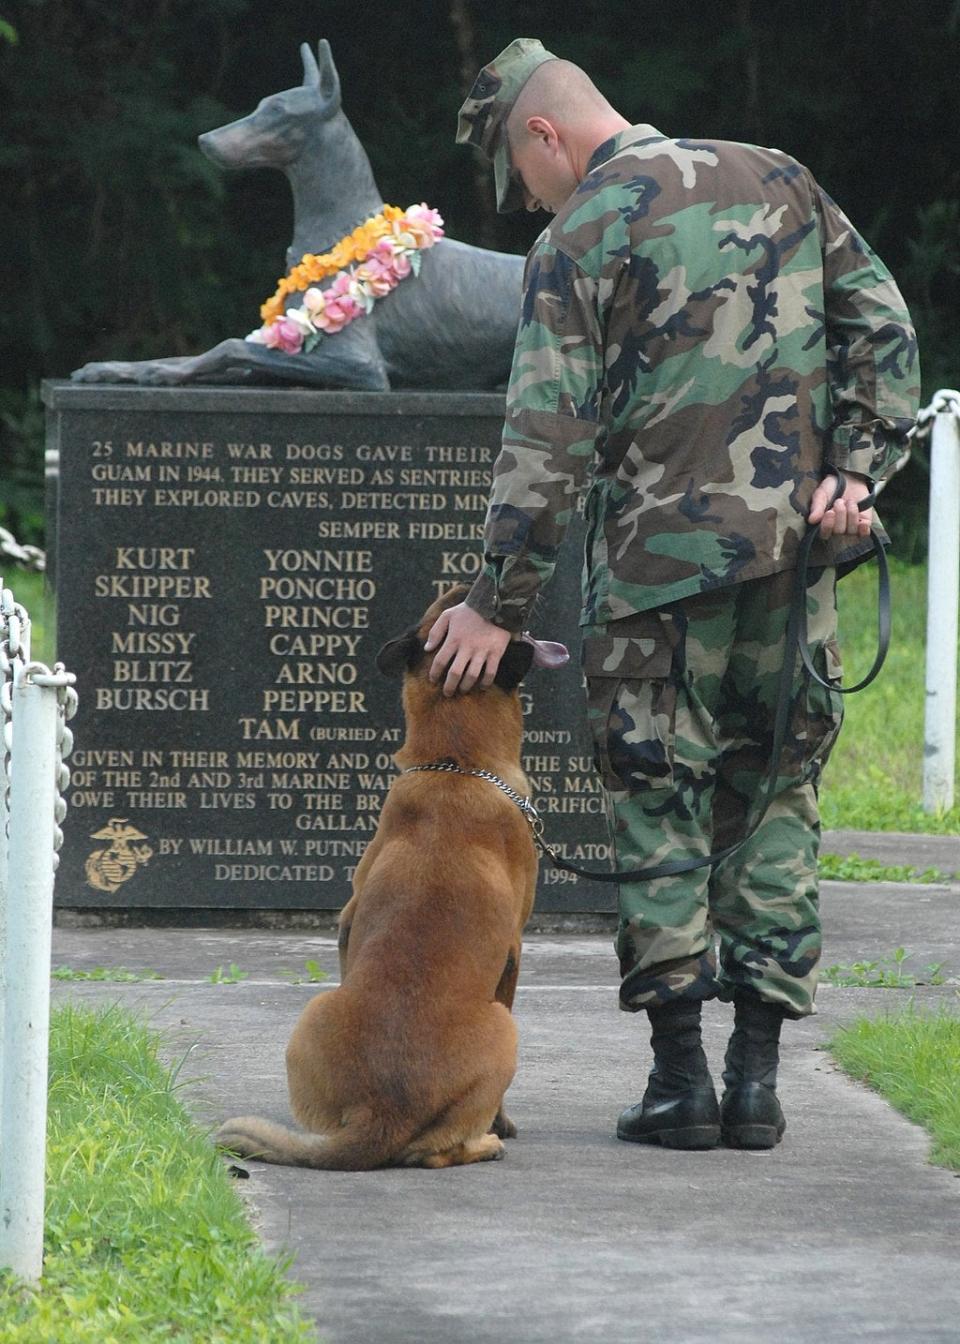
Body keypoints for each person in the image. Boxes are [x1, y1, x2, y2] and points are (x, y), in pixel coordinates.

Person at [425, 38, 919, 1150]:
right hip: (794, 572)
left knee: (661, 809)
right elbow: (883, 332)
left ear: (543, 134)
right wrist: (856, 471)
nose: (529, 200)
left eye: (522, 175)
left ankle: (679, 1086)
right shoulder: (782, 176)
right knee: (776, 801)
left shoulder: (581, 235)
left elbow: (546, 438)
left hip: (654, 587)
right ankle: (758, 1085)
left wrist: (494, 602)